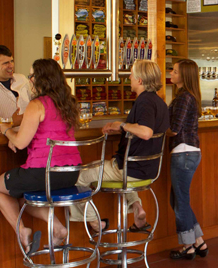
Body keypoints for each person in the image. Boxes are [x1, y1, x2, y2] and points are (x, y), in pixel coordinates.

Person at [71, 59, 170, 236]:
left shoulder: (144, 101)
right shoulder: (160, 102)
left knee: (78, 176)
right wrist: (123, 125)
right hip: (147, 170)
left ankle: (96, 223)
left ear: (140, 80)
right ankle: (137, 207)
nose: (129, 77)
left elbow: (146, 132)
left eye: (132, 74)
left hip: (129, 169)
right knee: (123, 179)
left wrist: (122, 126)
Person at [0, 59, 82, 253]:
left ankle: (22, 230)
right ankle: (57, 228)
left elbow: (20, 143)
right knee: (25, 196)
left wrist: (6, 130)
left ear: (40, 79)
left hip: (43, 172)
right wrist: (15, 134)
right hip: (70, 173)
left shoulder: (37, 104)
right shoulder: (69, 103)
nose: (30, 80)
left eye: (31, 76)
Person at [166, 59, 206, 260]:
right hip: (189, 152)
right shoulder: (189, 96)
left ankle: (188, 245)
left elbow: (174, 128)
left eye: (174, 71)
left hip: (183, 152)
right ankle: (198, 241)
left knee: (180, 200)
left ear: (184, 76)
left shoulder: (183, 98)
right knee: (178, 199)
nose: (171, 73)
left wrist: (155, 132)